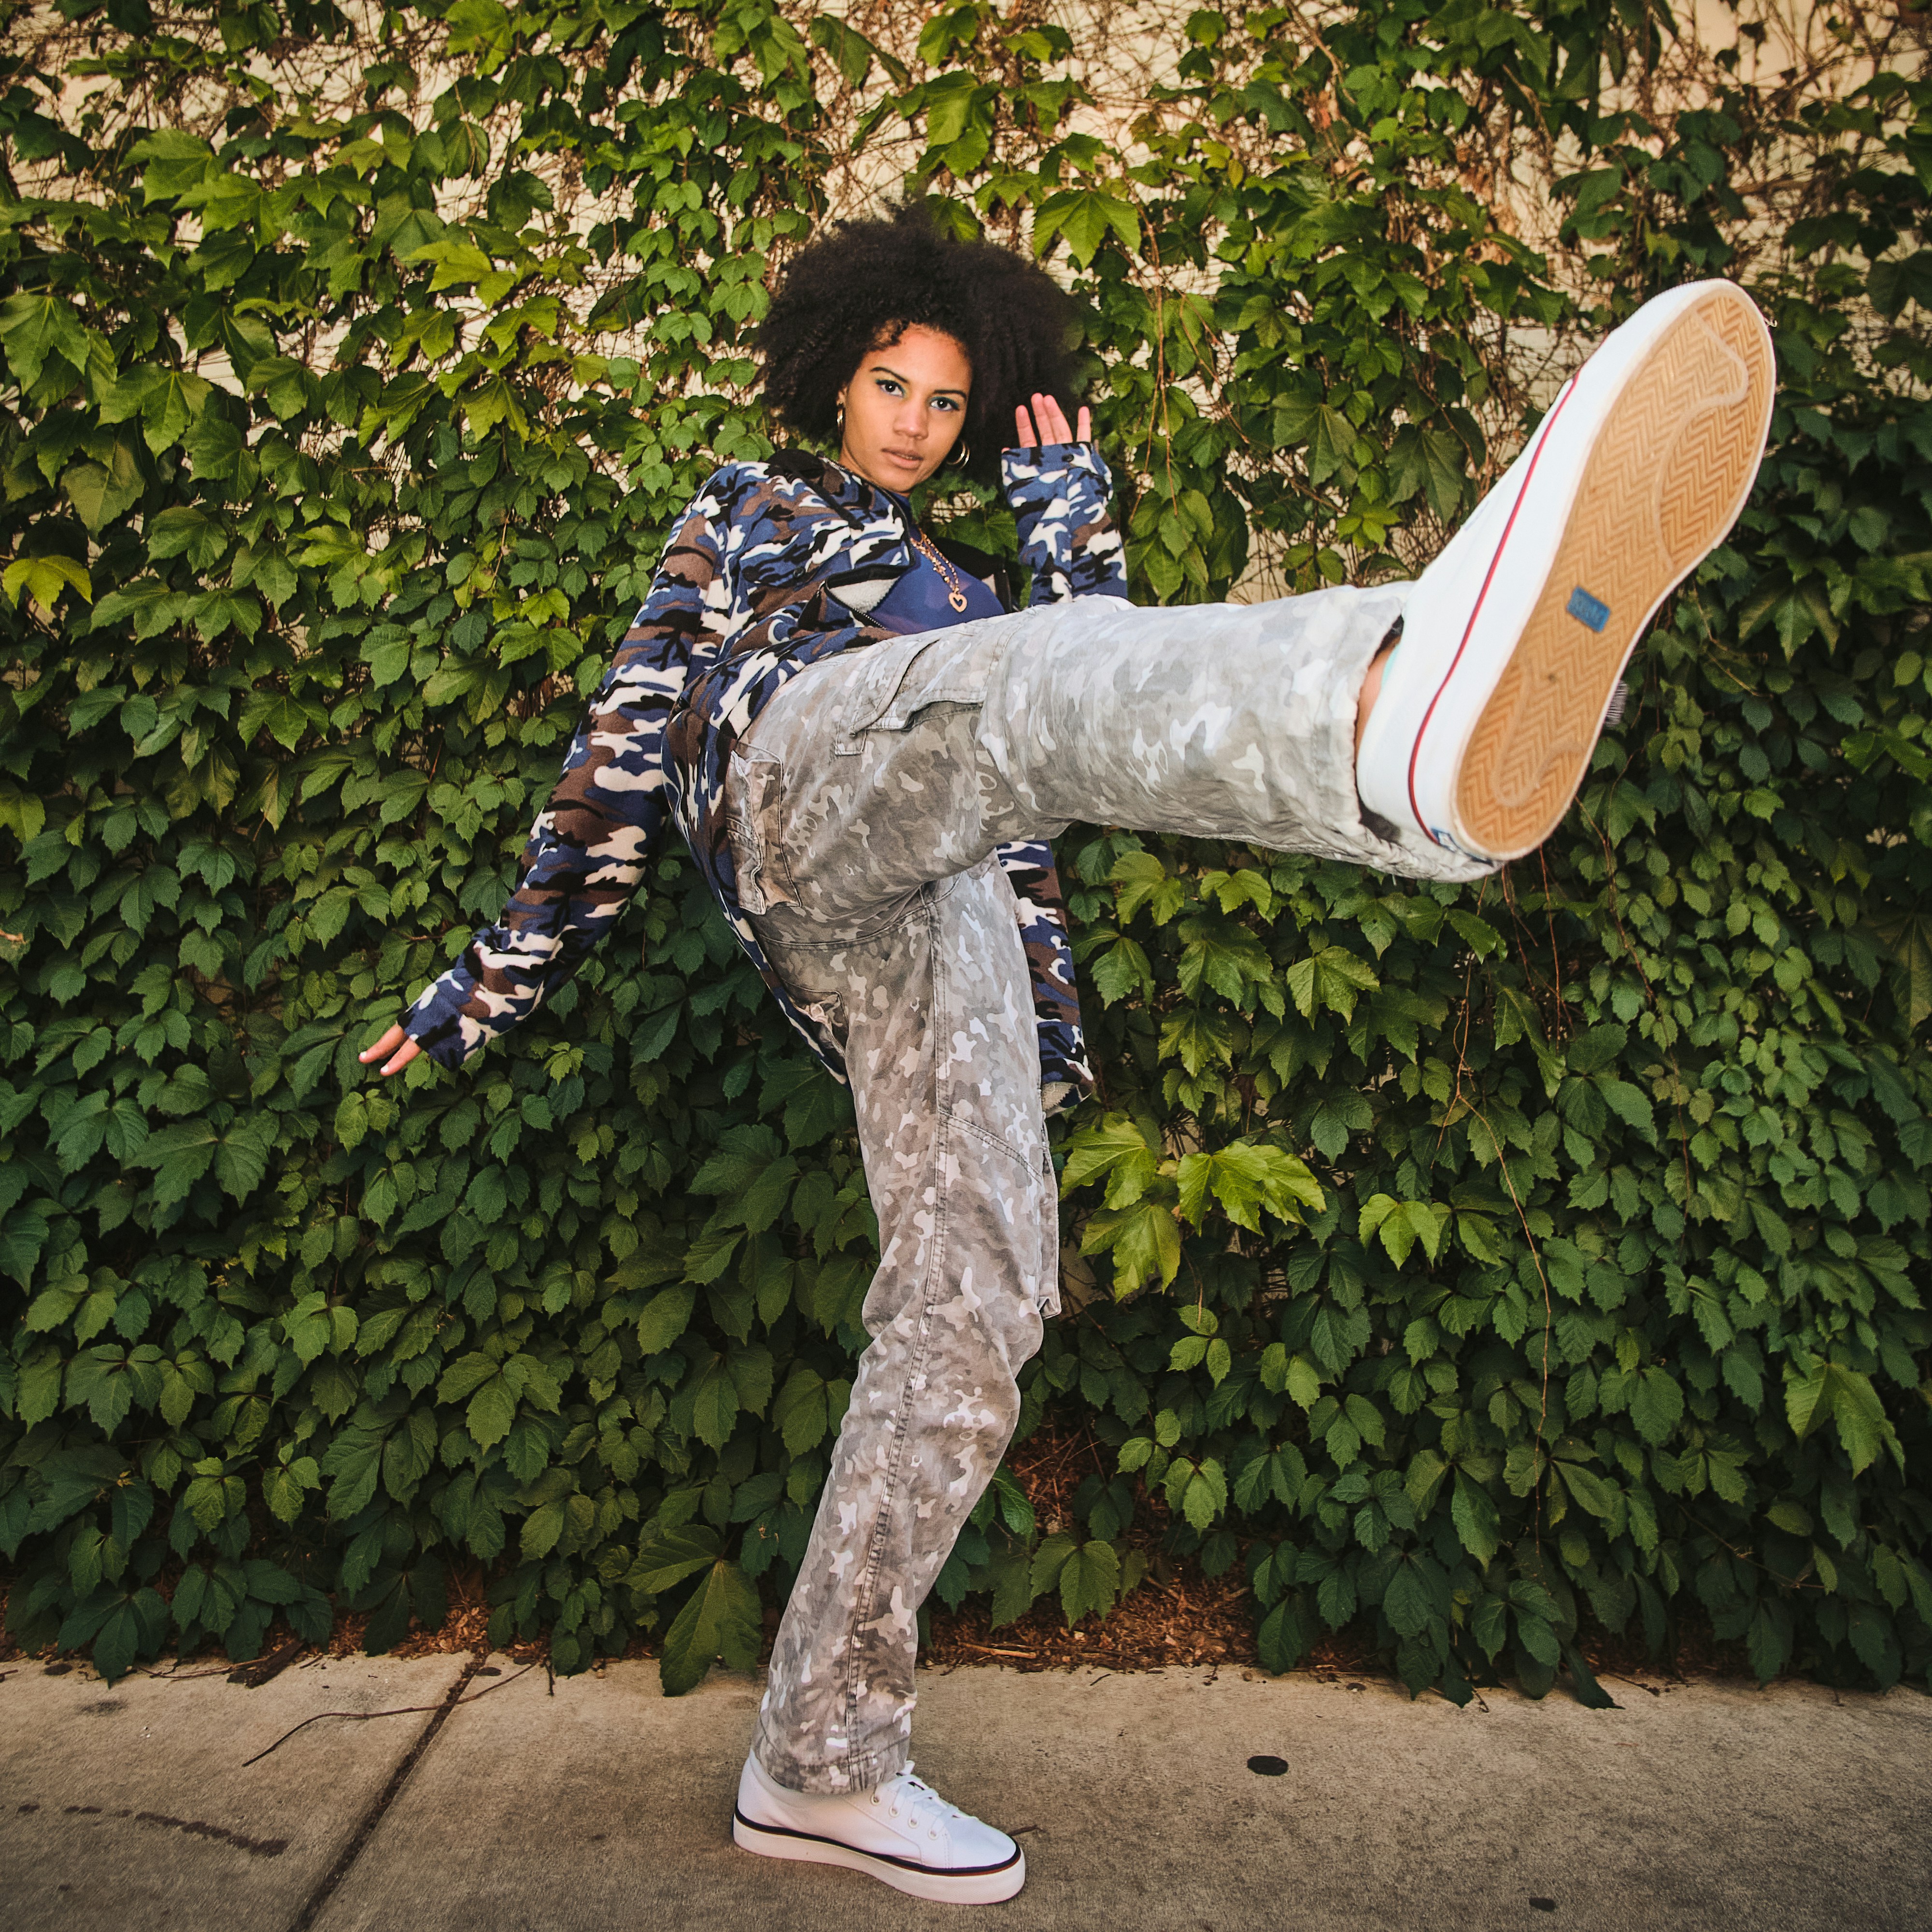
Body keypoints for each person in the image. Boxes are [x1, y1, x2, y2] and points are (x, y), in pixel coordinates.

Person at [360, 206, 1775, 1904]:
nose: (910, 423)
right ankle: (1381, 701)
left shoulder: (975, 587)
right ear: (834, 379)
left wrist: (1067, 513)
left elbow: (1111, 715)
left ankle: (820, 1758)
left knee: (979, 1301)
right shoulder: (751, 514)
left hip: (935, 904)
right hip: (798, 791)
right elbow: (619, 745)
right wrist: (488, 981)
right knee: (1008, 683)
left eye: (944, 405)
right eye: (889, 387)